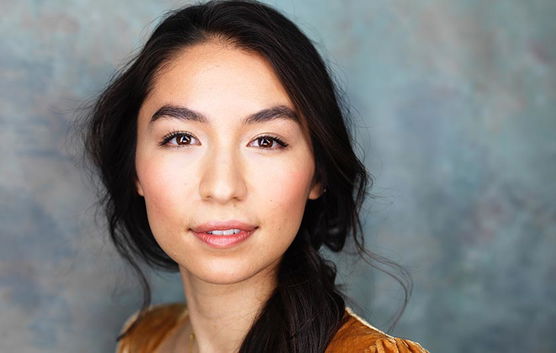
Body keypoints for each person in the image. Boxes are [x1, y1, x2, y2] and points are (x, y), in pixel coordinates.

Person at [83, 1, 430, 352]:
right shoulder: (144, 341)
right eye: (182, 138)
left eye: (266, 141)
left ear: (317, 174)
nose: (222, 188)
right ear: (134, 167)